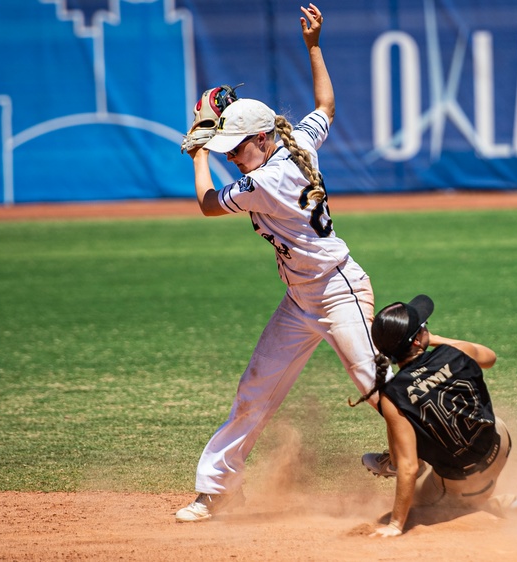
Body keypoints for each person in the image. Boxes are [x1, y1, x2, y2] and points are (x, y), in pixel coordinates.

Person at [176, 4, 382, 522]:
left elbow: (205, 205)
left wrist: (197, 153)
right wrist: (313, 46)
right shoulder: (298, 142)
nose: (229, 155)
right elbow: (327, 106)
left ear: (263, 140)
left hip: (340, 292)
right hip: (300, 299)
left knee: (374, 384)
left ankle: (439, 456)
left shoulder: (264, 181)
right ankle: (218, 488)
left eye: (235, 147)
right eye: (226, 150)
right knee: (255, 391)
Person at [351, 295, 517, 537]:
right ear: (419, 340)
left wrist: (396, 524)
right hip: (500, 440)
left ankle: (508, 503)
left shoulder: (392, 394)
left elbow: (409, 469)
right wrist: (436, 341)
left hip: (467, 477)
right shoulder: (457, 352)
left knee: (423, 503)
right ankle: (398, 463)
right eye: (424, 328)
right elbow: (490, 358)